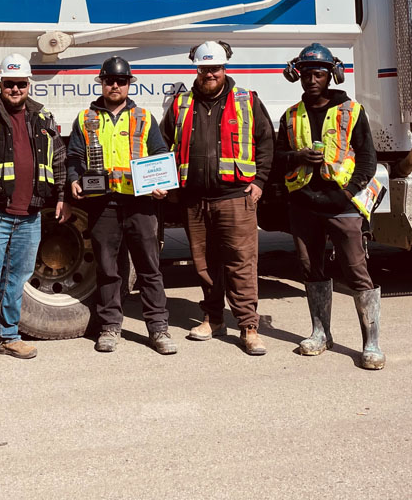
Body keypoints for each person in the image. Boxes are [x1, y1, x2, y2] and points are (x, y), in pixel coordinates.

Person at [0, 53, 69, 376]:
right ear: (0, 83)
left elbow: (58, 159)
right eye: (9, 83)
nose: (15, 89)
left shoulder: (43, 117)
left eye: (21, 83)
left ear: (28, 84)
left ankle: (7, 336)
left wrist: (61, 196)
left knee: (17, 279)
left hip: (30, 214)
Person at [160, 41, 274, 355]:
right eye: (204, 68)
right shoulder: (181, 104)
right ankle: (213, 319)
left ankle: (248, 327)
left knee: (241, 263)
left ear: (224, 69)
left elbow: (266, 142)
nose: (210, 74)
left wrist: (260, 181)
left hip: (235, 197)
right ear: (197, 70)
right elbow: (162, 145)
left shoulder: (247, 101)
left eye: (215, 68)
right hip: (195, 200)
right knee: (204, 264)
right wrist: (164, 183)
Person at [276, 43, 386, 370]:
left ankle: (371, 343)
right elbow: (278, 158)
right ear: (297, 76)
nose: (312, 80)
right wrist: (297, 157)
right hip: (304, 204)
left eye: (319, 74)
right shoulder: (291, 116)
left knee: (356, 270)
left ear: (331, 75)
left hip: (342, 205)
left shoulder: (351, 111)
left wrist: (348, 193)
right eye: (306, 74)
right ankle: (320, 334)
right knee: (311, 269)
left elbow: (367, 160)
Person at [67, 56, 175, 354]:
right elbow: (74, 156)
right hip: (103, 205)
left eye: (121, 81)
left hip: (140, 205)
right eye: (109, 80)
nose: (115, 85)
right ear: (101, 83)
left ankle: (158, 328)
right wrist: (74, 179)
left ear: (129, 84)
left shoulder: (144, 117)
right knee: (107, 270)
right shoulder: (85, 118)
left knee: (149, 269)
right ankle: (110, 327)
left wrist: (161, 183)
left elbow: (159, 152)